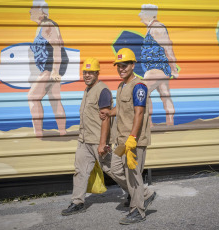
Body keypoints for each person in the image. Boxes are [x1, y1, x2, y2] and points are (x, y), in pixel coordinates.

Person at [61, 57, 128, 216]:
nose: (87, 75)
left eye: (91, 72)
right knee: (80, 171)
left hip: (98, 141)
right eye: (85, 72)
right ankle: (77, 202)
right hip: (84, 140)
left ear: (97, 73)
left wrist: (102, 143)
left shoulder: (102, 91)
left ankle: (140, 193)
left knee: (113, 170)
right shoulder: (87, 90)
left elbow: (106, 118)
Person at [100, 48, 157, 225]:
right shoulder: (121, 85)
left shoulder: (138, 86)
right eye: (119, 66)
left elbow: (139, 113)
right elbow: (123, 109)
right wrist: (109, 113)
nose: (121, 68)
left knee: (133, 175)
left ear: (133, 65)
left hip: (134, 140)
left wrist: (133, 137)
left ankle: (138, 210)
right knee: (114, 168)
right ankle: (143, 194)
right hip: (122, 139)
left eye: (125, 65)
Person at [28, 0, 69, 137]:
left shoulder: (48, 25)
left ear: (42, 11)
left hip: (51, 67)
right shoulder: (42, 26)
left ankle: (38, 134)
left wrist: (55, 71)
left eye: (33, 8)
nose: (29, 11)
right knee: (54, 99)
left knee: (33, 97)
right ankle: (63, 132)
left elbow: (57, 48)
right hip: (50, 67)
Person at [139, 4, 179, 126]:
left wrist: (174, 68)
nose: (139, 15)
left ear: (148, 15)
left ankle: (149, 124)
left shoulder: (157, 27)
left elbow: (168, 48)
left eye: (142, 13)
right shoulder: (151, 28)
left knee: (143, 91)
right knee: (165, 95)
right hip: (157, 69)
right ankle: (170, 123)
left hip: (156, 69)